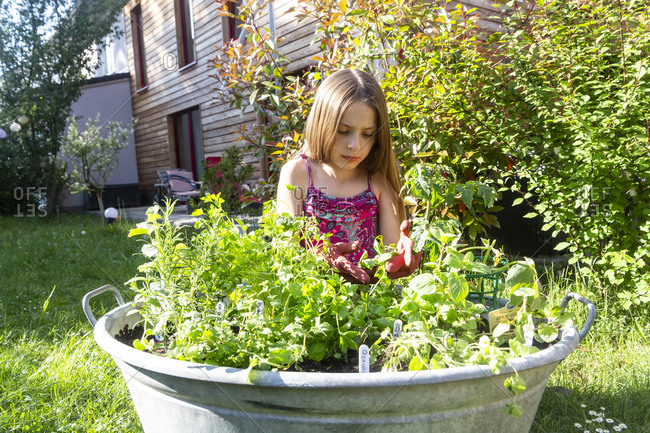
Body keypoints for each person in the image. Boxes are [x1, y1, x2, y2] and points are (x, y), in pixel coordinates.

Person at [276, 69, 421, 283]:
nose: (355, 145)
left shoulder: (376, 182)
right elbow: (285, 252)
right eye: (343, 131)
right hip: (309, 308)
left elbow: (390, 260)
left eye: (367, 134)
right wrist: (322, 257)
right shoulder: (298, 174)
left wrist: (401, 255)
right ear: (321, 123)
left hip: (369, 308)